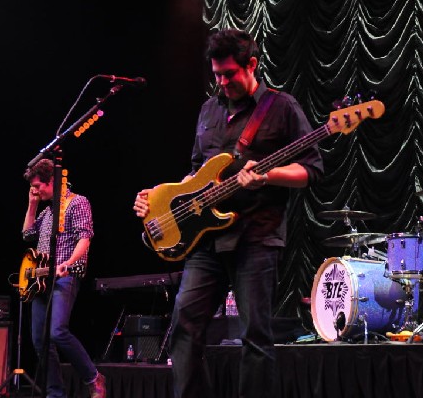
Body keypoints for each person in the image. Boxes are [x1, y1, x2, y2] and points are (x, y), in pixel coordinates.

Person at [133, 28, 324, 398]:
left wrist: (266, 176)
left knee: (255, 336)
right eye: (217, 74)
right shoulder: (209, 110)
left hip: (256, 236)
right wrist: (158, 196)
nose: (222, 82)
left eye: (229, 74)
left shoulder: (282, 107)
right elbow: (195, 173)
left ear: (251, 65)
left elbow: (310, 170)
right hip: (205, 242)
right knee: (185, 327)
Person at [23, 158, 105, 398]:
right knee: (39, 340)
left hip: (65, 275)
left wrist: (68, 263)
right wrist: (32, 205)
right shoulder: (48, 211)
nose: (35, 190)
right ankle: (55, 393)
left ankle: (93, 377)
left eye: (38, 186)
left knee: (57, 332)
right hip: (41, 280)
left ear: (52, 182)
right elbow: (28, 234)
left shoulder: (77, 202)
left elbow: (85, 238)